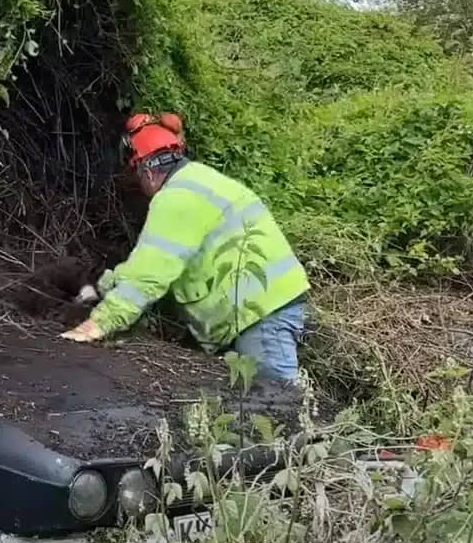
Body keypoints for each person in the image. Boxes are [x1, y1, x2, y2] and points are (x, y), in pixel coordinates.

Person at [60, 112, 310, 387]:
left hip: (261, 313)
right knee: (257, 400)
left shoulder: (175, 199)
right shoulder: (198, 180)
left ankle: (306, 429)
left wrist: (98, 324)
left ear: (146, 170)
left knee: (276, 398)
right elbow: (149, 264)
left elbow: (150, 274)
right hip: (266, 302)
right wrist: (104, 285)